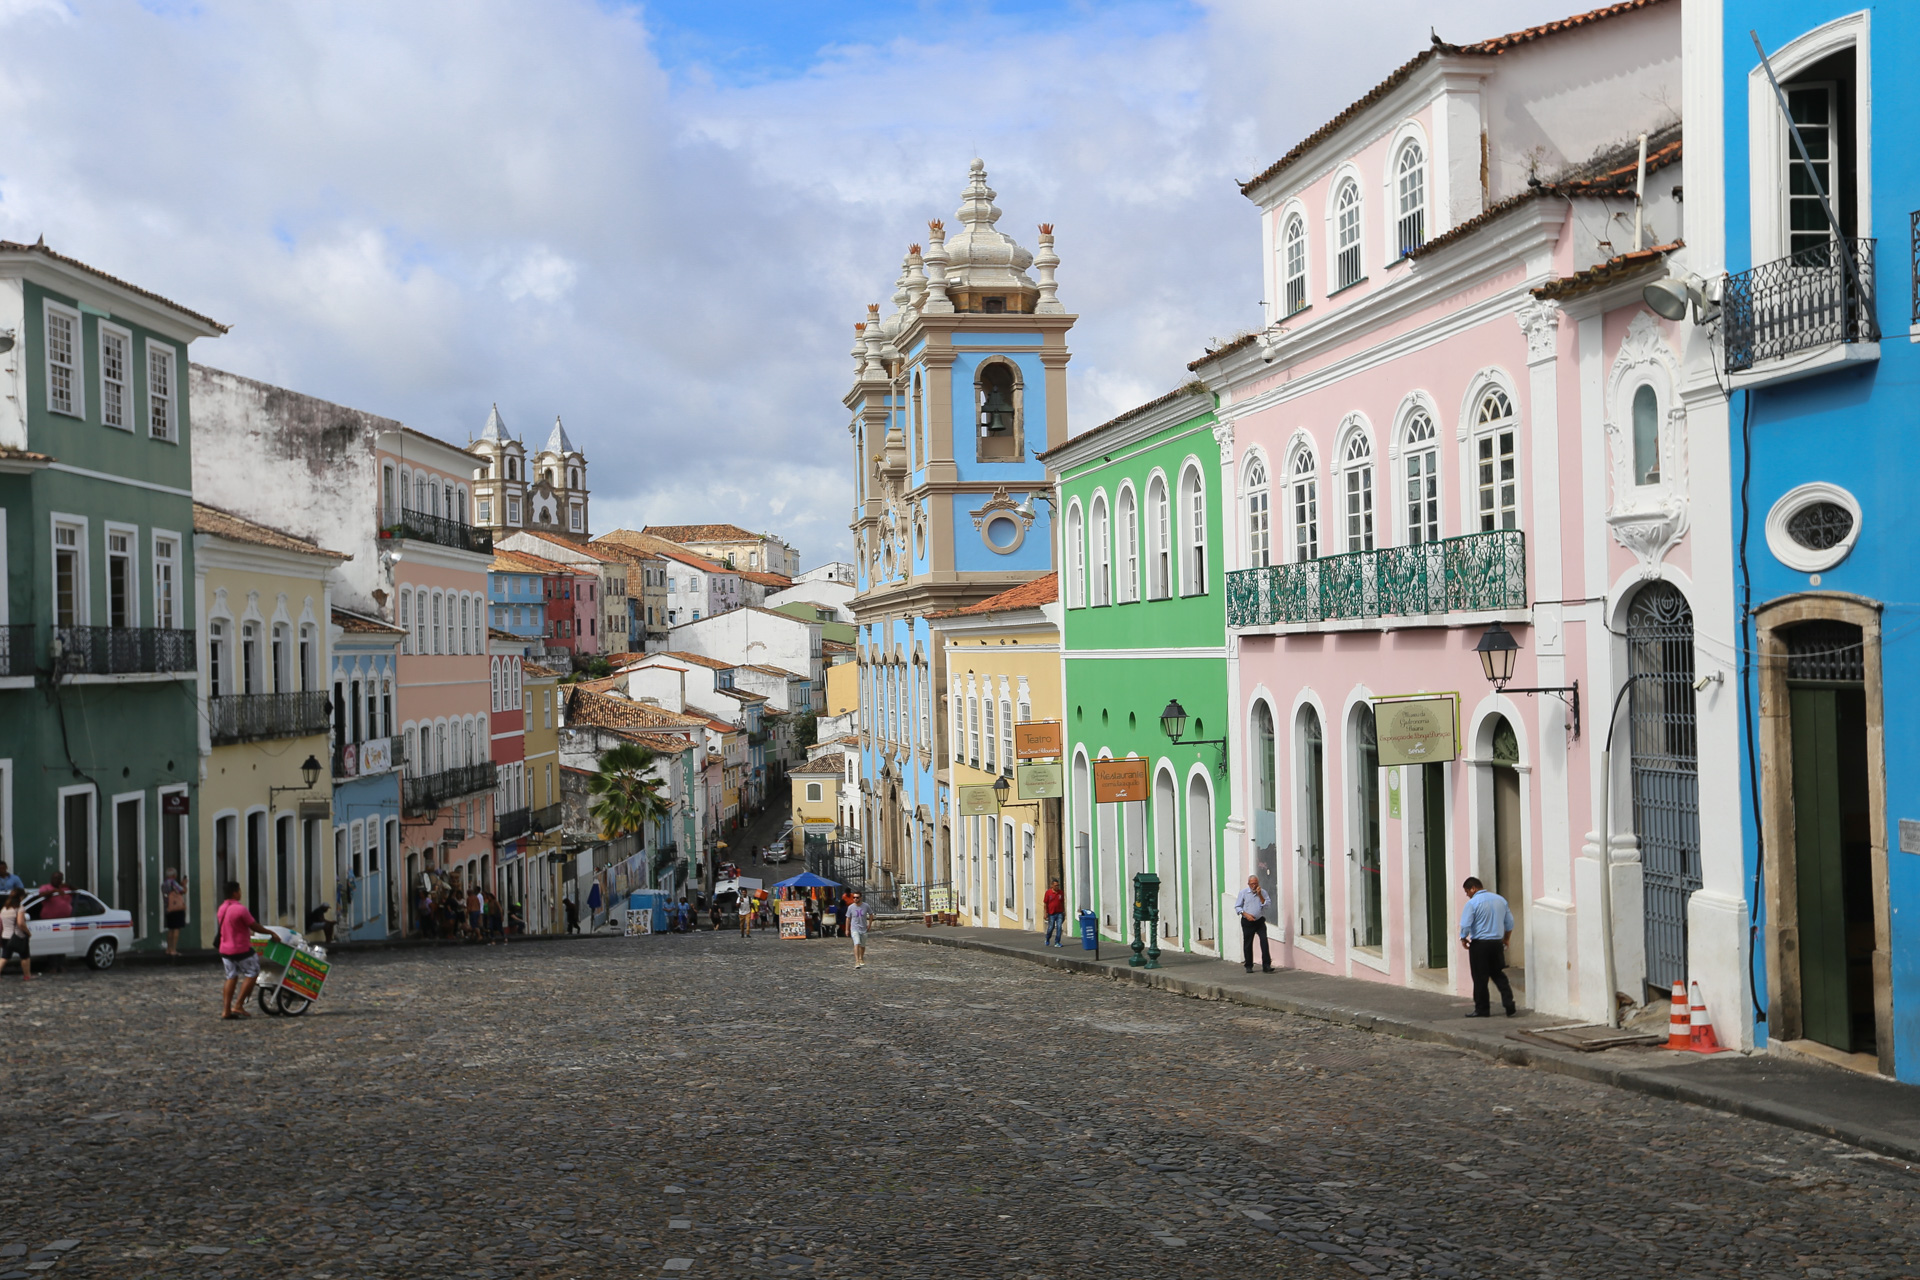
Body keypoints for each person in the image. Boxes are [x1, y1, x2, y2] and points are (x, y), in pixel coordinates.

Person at [1459, 877, 1517, 1018]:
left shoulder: (1472, 903)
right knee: (1498, 974)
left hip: (1480, 945)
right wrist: (1506, 939)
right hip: (1496, 944)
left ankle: (1482, 1009)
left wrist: (1463, 937)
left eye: (1467, 891)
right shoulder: (1500, 900)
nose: (1467, 895)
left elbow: (1466, 924)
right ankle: (1509, 1004)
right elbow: (1509, 923)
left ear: (1473, 888)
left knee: (1480, 978)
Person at [215, 880, 261, 1019]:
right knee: (253, 972)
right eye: (239, 890)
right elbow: (254, 926)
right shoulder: (240, 909)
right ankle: (239, 1005)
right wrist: (271, 933)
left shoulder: (222, 908)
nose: (240, 893)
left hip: (224, 949)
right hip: (241, 949)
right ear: (235, 892)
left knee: (231, 976)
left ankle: (226, 1010)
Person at [1233, 874, 1273, 973]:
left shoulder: (1263, 892)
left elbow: (1267, 905)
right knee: (1248, 943)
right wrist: (1246, 915)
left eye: (1255, 884)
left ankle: (1266, 965)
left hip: (1259, 921)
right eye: (1252, 884)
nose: (1254, 886)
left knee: (1264, 941)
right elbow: (1238, 907)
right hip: (1247, 921)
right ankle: (1249, 965)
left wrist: (1260, 895)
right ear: (1248, 884)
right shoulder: (1243, 893)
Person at [0, 888, 33, 981]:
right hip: (18, 936)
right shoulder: (19, 908)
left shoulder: (4, 909)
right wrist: (28, 932)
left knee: (4, 957)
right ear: (20, 897)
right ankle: (27, 975)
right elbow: (20, 923)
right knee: (25, 956)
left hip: (5, 936)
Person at [162, 868, 189, 956]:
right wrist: (184, 884)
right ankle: (173, 949)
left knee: (170, 929)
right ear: (174, 875)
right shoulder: (173, 883)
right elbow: (182, 891)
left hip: (168, 908)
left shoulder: (164, 884)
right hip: (176, 909)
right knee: (176, 929)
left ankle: (168, 949)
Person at [846, 892, 871, 969]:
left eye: (857, 897)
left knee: (862, 945)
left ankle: (861, 958)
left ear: (860, 898)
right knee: (857, 943)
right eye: (854, 897)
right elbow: (848, 918)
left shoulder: (866, 906)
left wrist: (869, 924)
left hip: (863, 928)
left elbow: (871, 914)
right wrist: (847, 929)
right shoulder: (850, 907)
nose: (855, 899)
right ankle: (857, 961)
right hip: (854, 928)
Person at [1043, 879, 1065, 947]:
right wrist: (1045, 913)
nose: (1057, 887)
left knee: (1059, 927)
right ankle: (1047, 938)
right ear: (1052, 885)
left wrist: (1064, 911)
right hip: (1051, 913)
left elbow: (1062, 902)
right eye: (1055, 885)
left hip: (1059, 913)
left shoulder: (1061, 893)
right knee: (1051, 927)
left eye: (1058, 885)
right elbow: (1045, 904)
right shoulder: (1048, 893)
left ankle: (1057, 942)